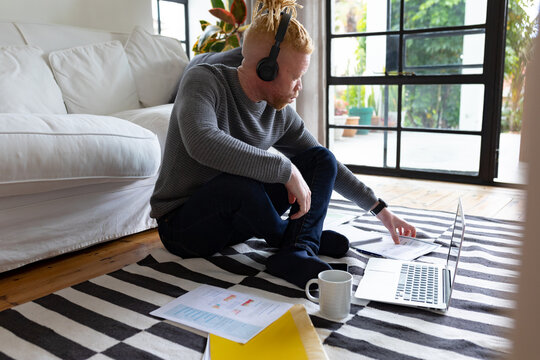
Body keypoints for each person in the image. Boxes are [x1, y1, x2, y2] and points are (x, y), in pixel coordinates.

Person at [150, 0, 416, 288]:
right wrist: (285, 169)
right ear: (266, 68)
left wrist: (379, 208)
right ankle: (293, 236)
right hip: (182, 227)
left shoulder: (280, 113)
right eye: (296, 76)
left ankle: (298, 247)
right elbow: (201, 142)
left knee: (320, 159)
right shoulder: (203, 81)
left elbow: (329, 167)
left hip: (235, 219)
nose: (300, 86)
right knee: (241, 185)